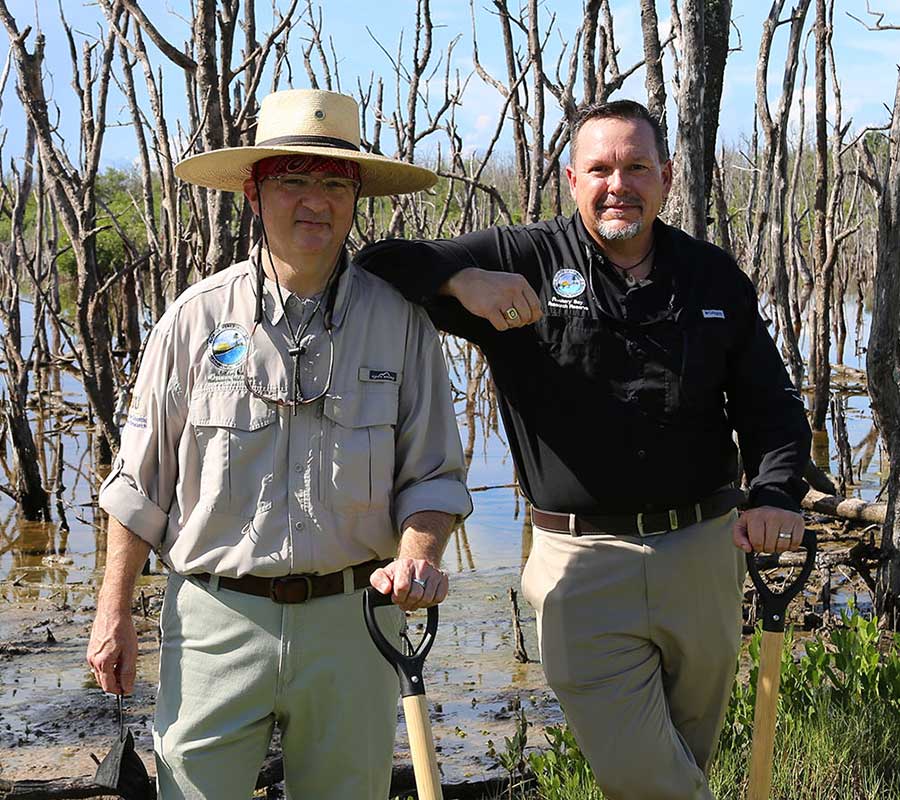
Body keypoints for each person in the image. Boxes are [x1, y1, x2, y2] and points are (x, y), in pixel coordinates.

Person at [356, 99, 812, 799]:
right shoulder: (526, 257)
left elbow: (770, 406)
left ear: (666, 176)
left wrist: (775, 493)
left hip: (705, 554)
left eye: (635, 167)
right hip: (581, 568)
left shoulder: (712, 277)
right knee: (653, 782)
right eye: (599, 168)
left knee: (683, 766)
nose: (617, 184)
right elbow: (381, 262)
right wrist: (463, 281)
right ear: (571, 180)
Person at [86, 88, 472, 800]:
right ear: (254, 194)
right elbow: (136, 488)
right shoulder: (193, 321)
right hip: (214, 621)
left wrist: (419, 556)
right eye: (292, 179)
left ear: (356, 198)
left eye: (333, 182)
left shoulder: (402, 325)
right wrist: (112, 613)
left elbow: (434, 475)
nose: (314, 201)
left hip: (357, 625)